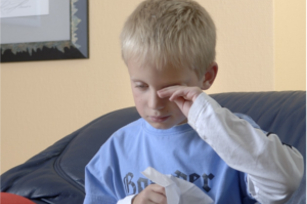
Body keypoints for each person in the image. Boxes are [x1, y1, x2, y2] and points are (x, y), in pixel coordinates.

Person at [84, 0, 304, 203]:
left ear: (207, 76)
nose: (154, 104)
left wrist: (207, 118)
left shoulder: (231, 134)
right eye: (141, 86)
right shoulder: (116, 150)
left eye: (169, 89)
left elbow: (285, 182)